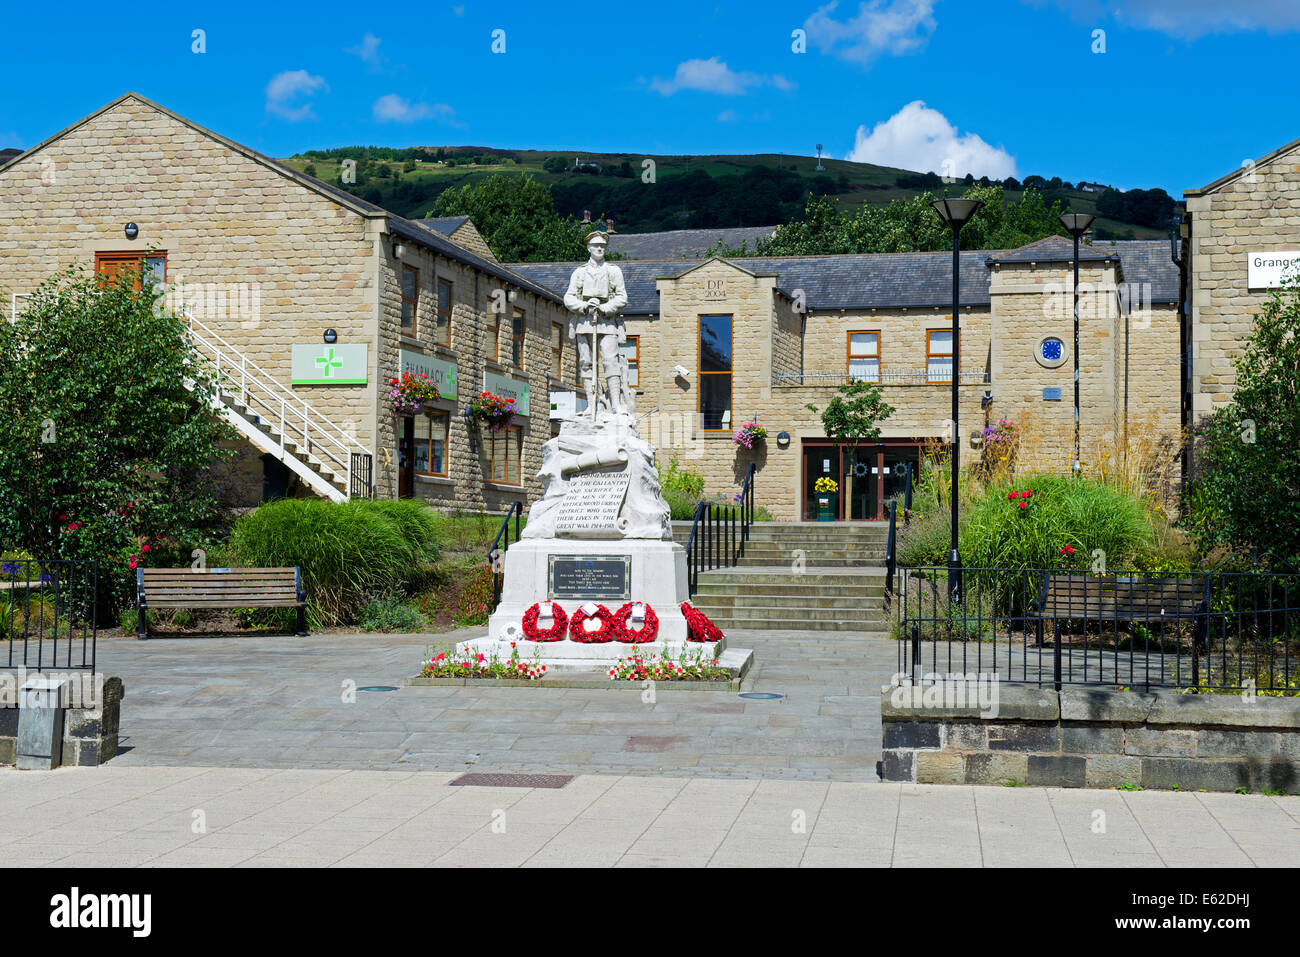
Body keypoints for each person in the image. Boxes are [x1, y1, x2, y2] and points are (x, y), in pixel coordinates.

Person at [563, 231, 630, 415]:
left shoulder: (613, 271)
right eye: (595, 245)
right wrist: (584, 305)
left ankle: (615, 404)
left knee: (610, 361)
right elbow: (568, 298)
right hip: (584, 322)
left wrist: (605, 307)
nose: (599, 248)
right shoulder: (580, 272)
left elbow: (622, 297)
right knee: (586, 363)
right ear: (589, 248)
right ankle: (592, 404)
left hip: (608, 322)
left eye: (602, 245)